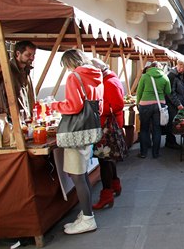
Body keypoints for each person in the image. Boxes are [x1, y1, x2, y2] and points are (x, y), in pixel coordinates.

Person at [50, 49, 103, 234]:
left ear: (69, 63)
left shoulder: (75, 76)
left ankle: (88, 218)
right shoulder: (96, 75)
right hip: (89, 129)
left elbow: (73, 106)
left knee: (77, 176)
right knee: (82, 174)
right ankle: (86, 213)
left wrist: (54, 105)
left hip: (76, 132)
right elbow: (99, 106)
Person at [90, 58, 125, 210]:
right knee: (108, 160)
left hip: (107, 127)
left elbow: (117, 105)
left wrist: (95, 109)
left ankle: (106, 194)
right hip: (109, 125)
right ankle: (115, 184)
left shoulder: (109, 82)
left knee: (104, 161)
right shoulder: (111, 79)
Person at [136, 61, 171, 159]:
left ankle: (143, 153)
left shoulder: (145, 76)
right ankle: (156, 153)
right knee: (157, 129)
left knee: (144, 129)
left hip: (145, 105)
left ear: (150, 67)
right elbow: (168, 91)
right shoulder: (165, 77)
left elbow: (139, 92)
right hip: (159, 106)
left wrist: (138, 103)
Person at [165, 59, 184, 149]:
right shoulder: (172, 75)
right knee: (171, 122)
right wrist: (177, 103)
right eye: (179, 66)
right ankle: (170, 141)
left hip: (181, 101)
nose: (180, 69)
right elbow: (170, 92)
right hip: (172, 103)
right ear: (177, 65)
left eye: (182, 67)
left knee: (176, 122)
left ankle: (170, 140)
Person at [10, 41, 36, 116]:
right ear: (18, 54)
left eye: (33, 55)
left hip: (27, 118)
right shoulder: (8, 72)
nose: (32, 58)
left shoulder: (27, 71)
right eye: (28, 55)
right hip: (14, 119)